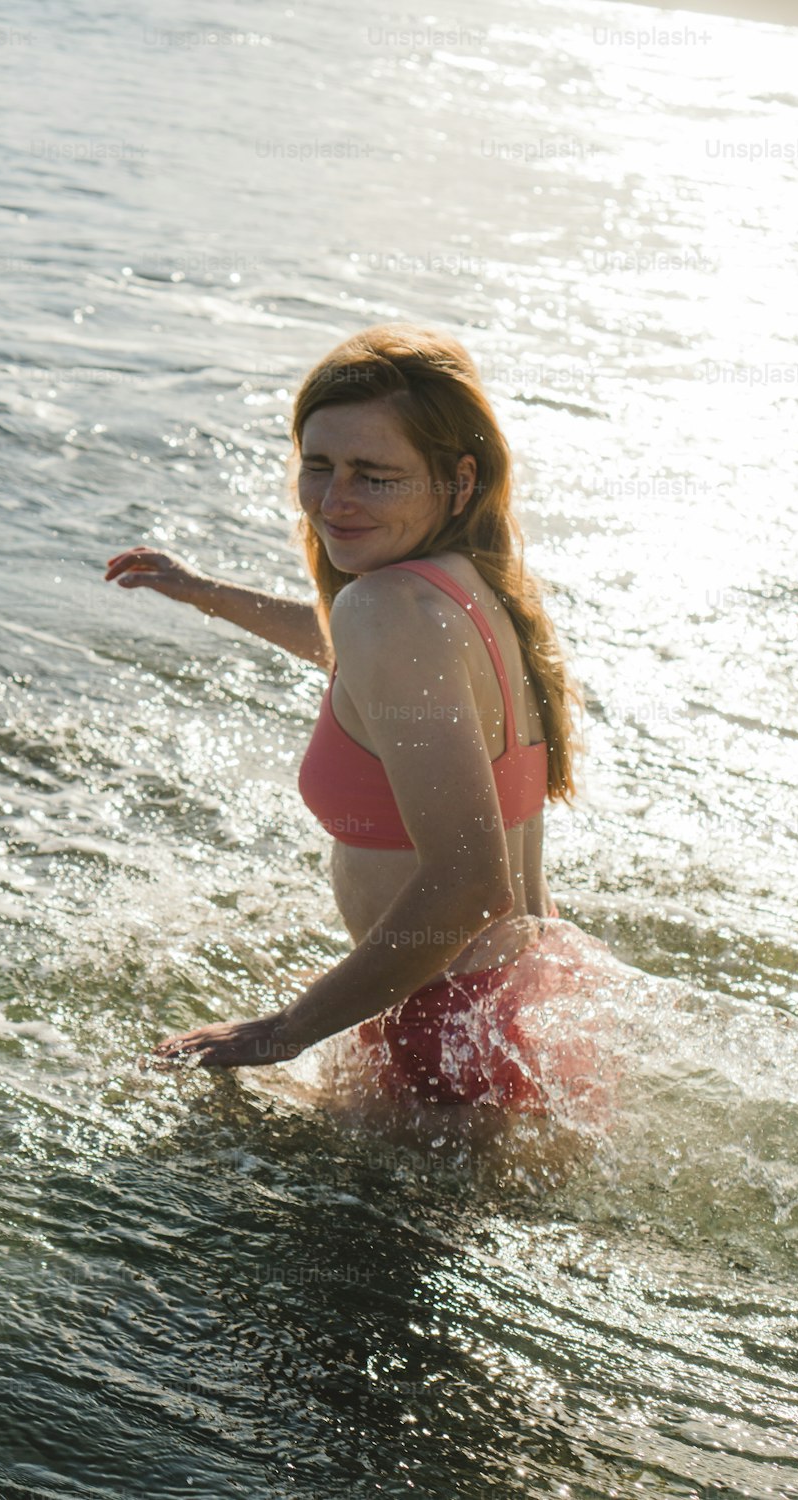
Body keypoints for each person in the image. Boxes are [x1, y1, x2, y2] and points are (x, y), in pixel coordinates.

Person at [105, 323, 587, 1114]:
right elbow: (363, 660)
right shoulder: (471, 588)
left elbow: (470, 885)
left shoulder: (386, 609)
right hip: (528, 1010)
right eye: (318, 466)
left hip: (445, 1038)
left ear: (455, 481)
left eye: (375, 475)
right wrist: (202, 591)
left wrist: (283, 1030)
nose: (335, 501)